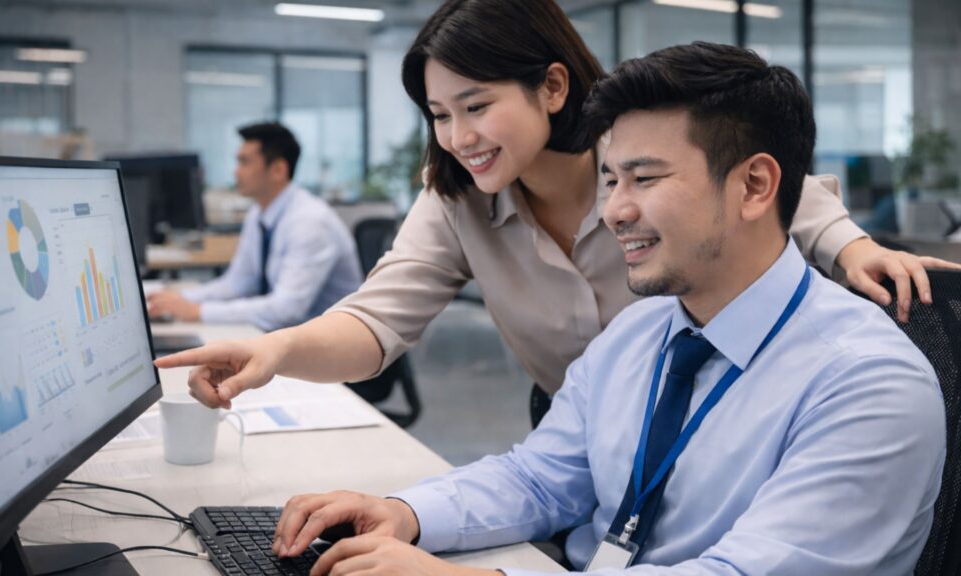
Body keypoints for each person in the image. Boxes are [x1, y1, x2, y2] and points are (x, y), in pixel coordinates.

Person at [269, 42, 946, 576]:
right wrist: (402, 513)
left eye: (645, 178)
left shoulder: (868, 382)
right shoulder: (641, 331)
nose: (615, 211)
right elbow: (541, 479)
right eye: (611, 179)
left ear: (756, 186)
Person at [155, 0, 956, 426]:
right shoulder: (459, 203)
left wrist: (852, 250)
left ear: (551, 86)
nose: (458, 137)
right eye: (438, 114)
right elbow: (375, 324)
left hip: (712, 421)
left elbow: (771, 190)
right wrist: (276, 352)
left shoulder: (634, 151)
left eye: (476, 105)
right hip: (578, 435)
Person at [146, 122, 361, 332]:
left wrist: (199, 311)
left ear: (278, 170)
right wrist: (179, 301)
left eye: (244, 162)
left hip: (331, 351)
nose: (236, 173)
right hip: (292, 338)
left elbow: (287, 309)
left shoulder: (310, 222)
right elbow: (239, 283)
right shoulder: (260, 213)